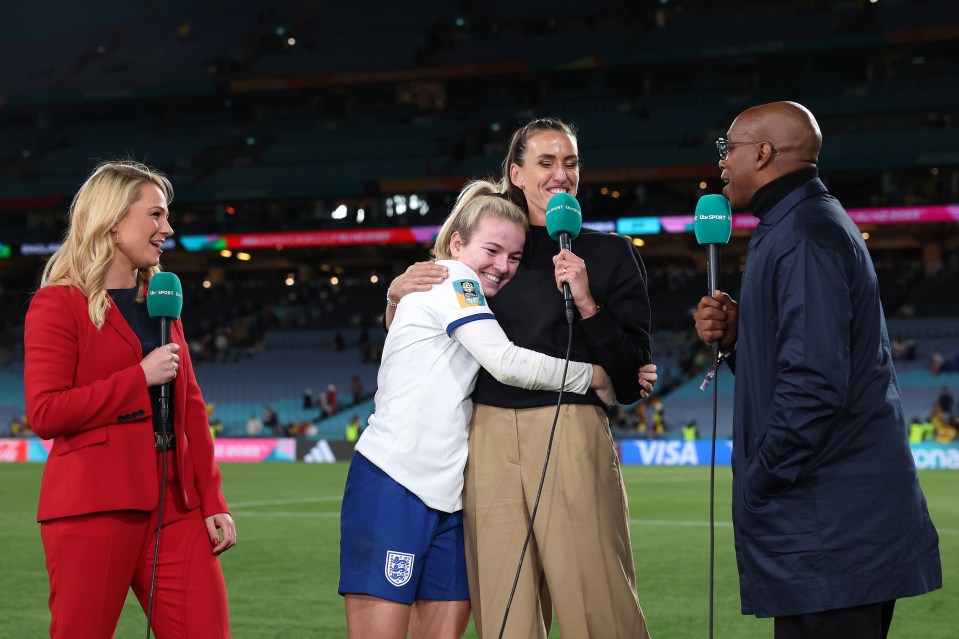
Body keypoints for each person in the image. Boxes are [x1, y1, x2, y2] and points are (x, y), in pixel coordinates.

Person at [388, 118, 654, 639]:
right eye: (546, 162)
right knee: (504, 610)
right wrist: (395, 295)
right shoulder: (481, 254)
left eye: (571, 162)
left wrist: (586, 299)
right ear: (516, 172)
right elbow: (412, 331)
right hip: (483, 434)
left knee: (596, 602)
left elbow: (630, 380)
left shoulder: (611, 255)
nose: (562, 174)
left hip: (572, 429)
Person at [693, 101, 941, 638]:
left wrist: (759, 479)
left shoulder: (803, 234)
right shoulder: (797, 224)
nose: (721, 164)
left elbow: (813, 385)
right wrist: (741, 341)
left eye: (727, 149)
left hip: (831, 528)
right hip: (831, 525)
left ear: (762, 154)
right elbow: (807, 363)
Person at [339, 180, 625, 639]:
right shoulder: (453, 278)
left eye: (514, 257)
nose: (503, 267)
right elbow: (507, 362)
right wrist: (596, 376)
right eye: (492, 250)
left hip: (451, 498)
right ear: (456, 242)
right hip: (393, 481)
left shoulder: (461, 290)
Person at [23, 161, 236, 639]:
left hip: (175, 507)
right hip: (92, 509)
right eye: (156, 215)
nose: (168, 228)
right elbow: (45, 412)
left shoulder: (161, 300)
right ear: (113, 221)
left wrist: (211, 499)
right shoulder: (58, 303)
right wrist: (137, 377)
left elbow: (191, 411)